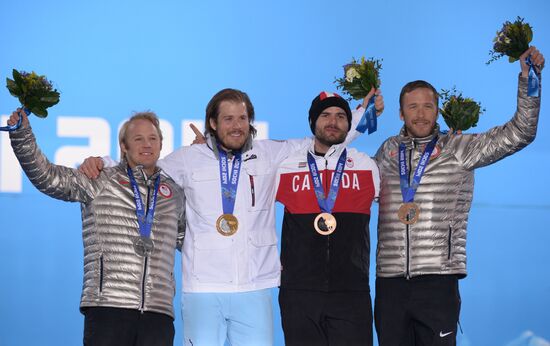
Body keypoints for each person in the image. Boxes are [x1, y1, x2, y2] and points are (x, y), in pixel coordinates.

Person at [79, 88, 383, 345]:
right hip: (202, 288)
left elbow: (326, 136)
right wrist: (101, 162)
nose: (236, 126)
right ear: (213, 122)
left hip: (254, 287)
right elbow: (145, 168)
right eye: (228, 119)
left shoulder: (271, 153)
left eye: (242, 118)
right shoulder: (188, 158)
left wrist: (365, 113)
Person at [373, 46, 544, 345]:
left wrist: (529, 80)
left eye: (428, 106)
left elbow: (521, 132)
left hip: (438, 280)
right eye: (412, 107)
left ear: (438, 110)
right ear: (401, 113)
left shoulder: (459, 147)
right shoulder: (387, 151)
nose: (421, 113)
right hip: (389, 283)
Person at [8, 110, 185, 346]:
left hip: (158, 313)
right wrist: (22, 135)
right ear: (124, 146)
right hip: (108, 308)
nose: (146, 144)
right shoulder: (100, 179)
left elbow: (195, 241)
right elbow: (47, 177)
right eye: (138, 138)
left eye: (152, 138)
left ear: (161, 144)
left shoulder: (174, 194)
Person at [275, 92, 380, 345]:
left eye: (341, 116)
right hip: (299, 292)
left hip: (351, 291)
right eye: (325, 115)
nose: (333, 122)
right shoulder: (285, 165)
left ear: (349, 124)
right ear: (313, 122)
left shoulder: (367, 165)